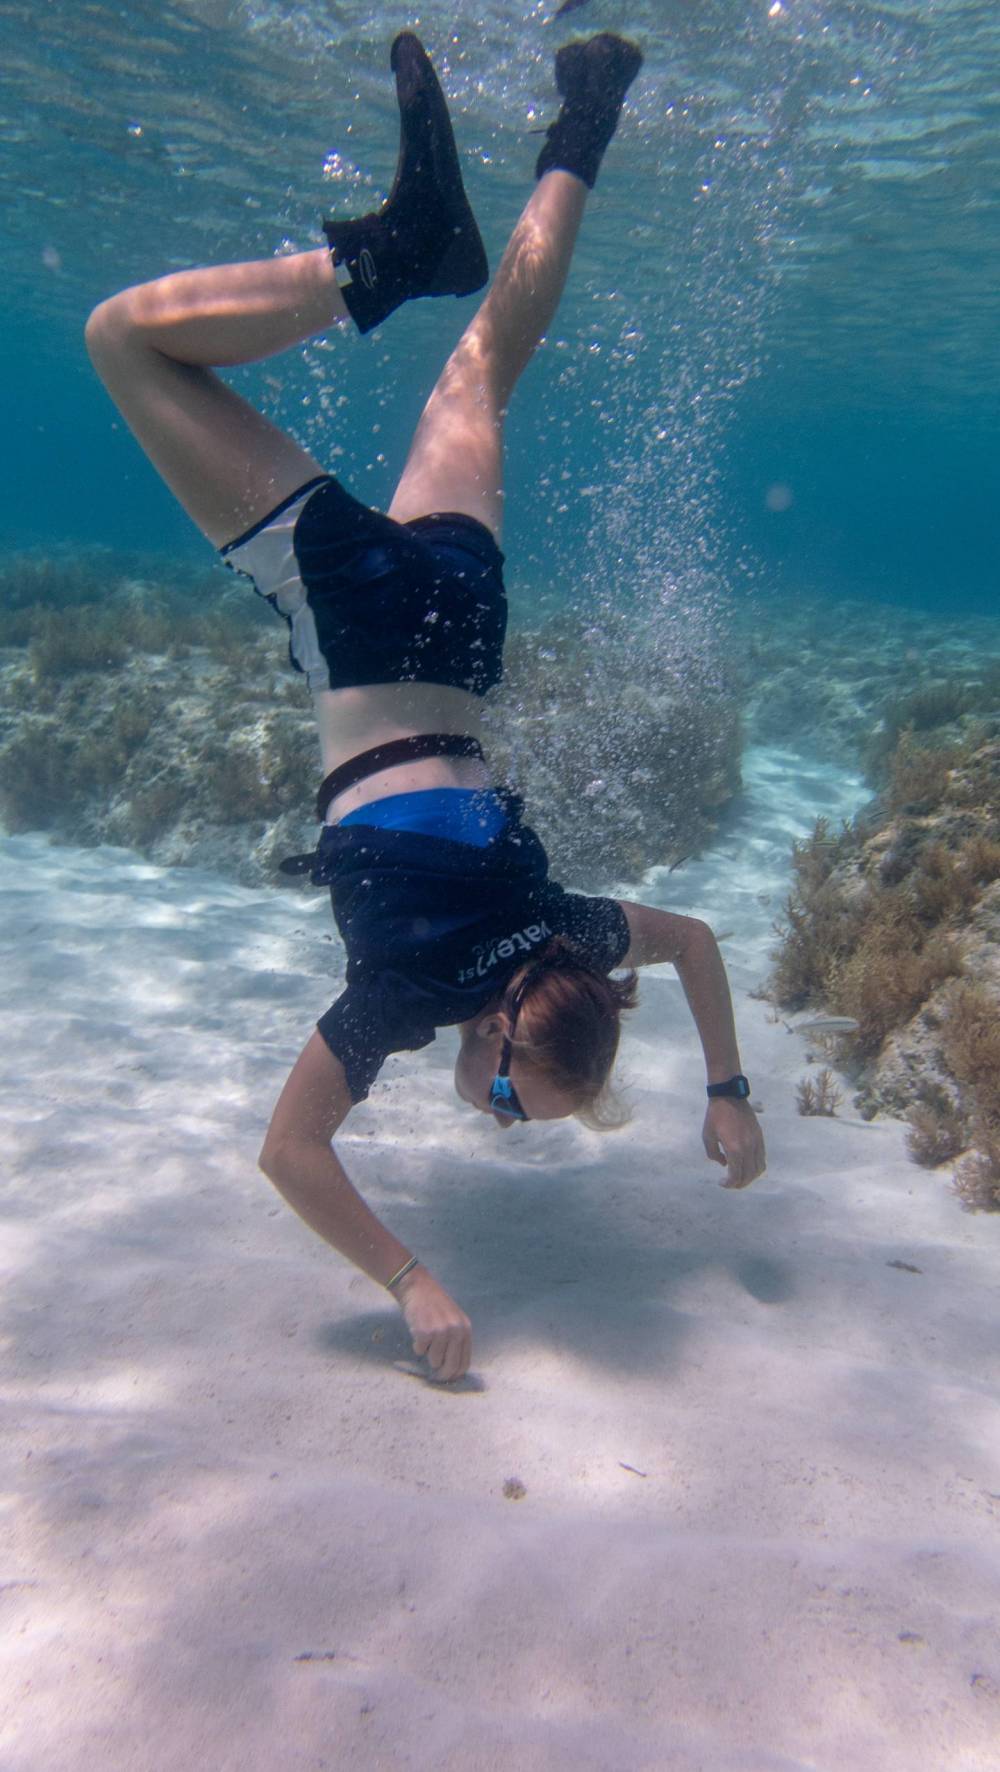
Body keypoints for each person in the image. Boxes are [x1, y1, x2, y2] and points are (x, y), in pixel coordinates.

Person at [85, 30, 766, 1383]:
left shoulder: (572, 932)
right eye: (517, 1093)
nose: (499, 1114)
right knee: (128, 346)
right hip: (359, 624)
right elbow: (291, 1154)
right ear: (511, 1024)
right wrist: (412, 1282)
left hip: (462, 627)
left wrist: (729, 1095)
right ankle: (381, 259)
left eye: (518, 1113)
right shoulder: (410, 993)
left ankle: (587, 111)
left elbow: (691, 947)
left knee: (481, 369)